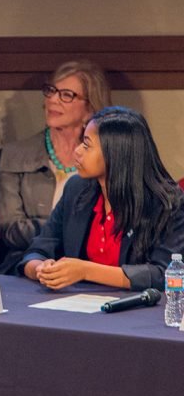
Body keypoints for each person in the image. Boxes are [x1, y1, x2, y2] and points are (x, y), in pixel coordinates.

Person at [19, 106, 184, 291]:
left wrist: (86, 271)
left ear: (115, 154)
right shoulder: (76, 189)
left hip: (135, 305)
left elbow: (164, 274)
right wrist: (41, 269)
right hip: (76, 302)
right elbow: (37, 250)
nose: (77, 151)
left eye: (87, 145)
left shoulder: (167, 203)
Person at [0, 60, 110, 272]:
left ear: (89, 109)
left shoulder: (105, 159)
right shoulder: (16, 155)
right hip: (27, 263)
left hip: (90, 267)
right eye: (51, 91)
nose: (53, 100)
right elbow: (11, 230)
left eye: (67, 95)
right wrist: (70, 230)